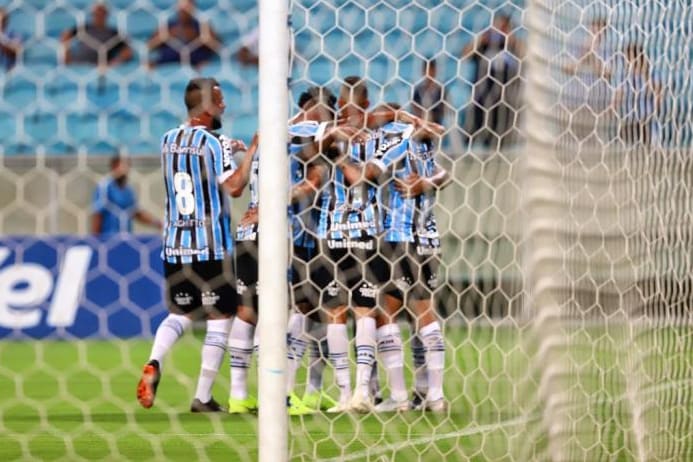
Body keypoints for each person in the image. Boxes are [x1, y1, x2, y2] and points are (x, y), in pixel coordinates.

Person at [136, 77, 254, 412]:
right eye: (219, 101)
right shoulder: (212, 144)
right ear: (205, 106)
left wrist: (223, 146)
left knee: (181, 311)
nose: (224, 106)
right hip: (210, 246)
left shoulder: (166, 140)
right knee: (222, 315)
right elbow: (233, 187)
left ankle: (154, 360)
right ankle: (202, 396)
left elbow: (192, 158)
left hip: (175, 244)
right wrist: (252, 150)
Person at [461, 12, 523, 149]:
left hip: (505, 101)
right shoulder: (484, 45)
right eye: (498, 27)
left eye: (504, 28)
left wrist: (511, 39)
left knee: (500, 139)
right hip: (481, 99)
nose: (500, 31)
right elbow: (465, 55)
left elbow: (525, 56)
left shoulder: (512, 46)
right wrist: (481, 39)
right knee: (472, 134)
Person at [91, 155, 161, 236]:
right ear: (114, 167)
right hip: (108, 238)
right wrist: (95, 239)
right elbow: (97, 214)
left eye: (127, 165)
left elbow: (136, 212)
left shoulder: (128, 190)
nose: (125, 169)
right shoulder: (105, 186)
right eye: (122, 165)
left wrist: (157, 223)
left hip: (125, 238)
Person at [148, 0, 220, 68]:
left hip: (196, 61)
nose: (184, 10)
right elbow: (148, 47)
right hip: (167, 61)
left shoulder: (202, 25)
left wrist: (198, 36)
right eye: (181, 6)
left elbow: (219, 47)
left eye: (187, 6)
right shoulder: (167, 26)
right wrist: (165, 36)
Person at [614, 43, 660, 146]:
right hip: (630, 120)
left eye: (629, 57)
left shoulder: (650, 73)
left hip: (647, 119)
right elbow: (619, 94)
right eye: (625, 58)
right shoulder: (625, 76)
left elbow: (657, 91)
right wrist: (613, 107)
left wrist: (643, 72)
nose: (627, 61)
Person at [61, 2, 132, 67]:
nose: (99, 15)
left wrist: (111, 64)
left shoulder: (114, 33)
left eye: (102, 12)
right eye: (97, 12)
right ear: (92, 13)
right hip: (78, 65)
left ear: (107, 13)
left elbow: (127, 52)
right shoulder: (84, 28)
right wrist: (67, 58)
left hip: (99, 68)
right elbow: (65, 36)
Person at [412, 59, 446, 125]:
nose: (429, 73)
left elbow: (444, 110)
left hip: (436, 126)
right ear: (423, 71)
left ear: (435, 71)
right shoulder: (417, 90)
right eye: (427, 70)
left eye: (432, 70)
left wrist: (431, 117)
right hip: (420, 126)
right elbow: (414, 108)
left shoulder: (441, 90)